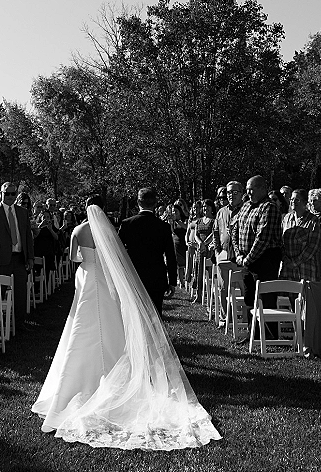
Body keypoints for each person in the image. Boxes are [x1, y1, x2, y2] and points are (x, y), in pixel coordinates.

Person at [31, 204, 221, 448]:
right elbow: (118, 257)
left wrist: (87, 259)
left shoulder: (78, 229)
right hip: (104, 280)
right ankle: (113, 371)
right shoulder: (108, 231)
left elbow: (73, 257)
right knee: (109, 324)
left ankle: (75, 384)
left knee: (81, 324)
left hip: (87, 277)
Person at [231, 176, 282, 338]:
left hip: (265, 262)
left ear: (262, 188)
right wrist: (239, 255)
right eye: (247, 189)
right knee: (249, 298)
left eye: (251, 189)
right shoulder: (246, 206)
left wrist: (247, 259)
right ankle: (252, 333)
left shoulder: (269, 208)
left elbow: (263, 238)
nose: (248, 192)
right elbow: (234, 230)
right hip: (246, 261)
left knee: (266, 299)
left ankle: (268, 335)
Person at [0, 182, 34, 330]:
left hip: (19, 258)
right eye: (7, 193)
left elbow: (27, 236)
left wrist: (29, 257)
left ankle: (19, 323)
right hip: (0, 259)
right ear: (1, 194)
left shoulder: (22, 212)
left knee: (20, 292)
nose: (10, 196)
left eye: (13, 194)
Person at [118, 187, 177, 316]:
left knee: (135, 315)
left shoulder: (127, 224)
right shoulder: (163, 227)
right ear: (155, 203)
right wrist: (172, 281)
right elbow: (170, 255)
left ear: (138, 203)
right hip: (157, 277)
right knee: (155, 315)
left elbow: (118, 252)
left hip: (133, 275)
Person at [213, 180, 244, 326]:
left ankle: (245, 319)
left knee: (243, 288)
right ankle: (226, 318)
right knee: (223, 288)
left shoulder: (246, 210)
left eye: (234, 192)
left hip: (240, 257)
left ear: (241, 193)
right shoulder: (221, 211)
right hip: (223, 255)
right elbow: (215, 231)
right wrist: (218, 251)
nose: (231, 195)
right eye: (229, 192)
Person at [280, 189, 321, 282]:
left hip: (305, 270)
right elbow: (281, 242)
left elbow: (313, 246)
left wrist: (294, 263)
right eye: (291, 199)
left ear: (305, 202)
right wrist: (285, 259)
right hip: (287, 270)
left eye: (297, 200)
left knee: (304, 295)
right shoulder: (286, 218)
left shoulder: (313, 220)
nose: (293, 202)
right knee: (286, 295)